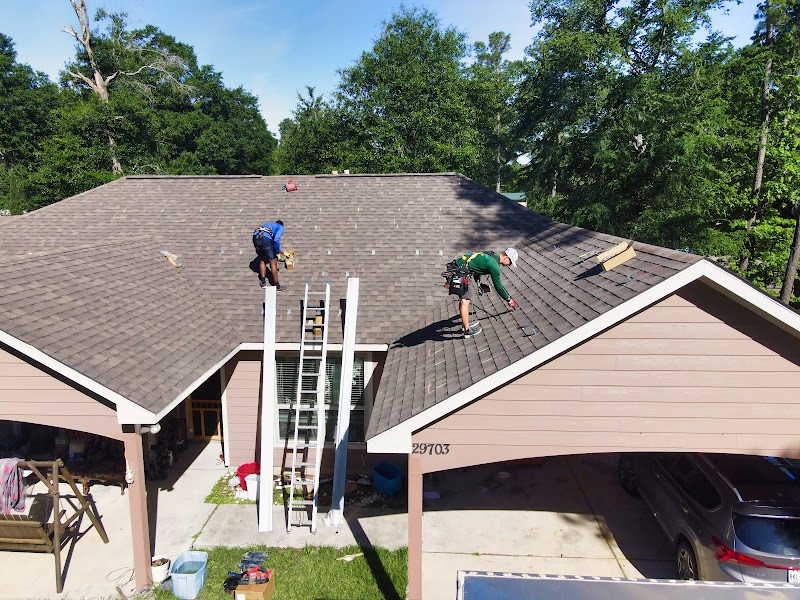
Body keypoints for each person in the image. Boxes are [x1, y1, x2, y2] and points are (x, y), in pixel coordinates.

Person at [451, 248, 518, 337]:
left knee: (464, 300)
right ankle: (467, 331)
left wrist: (479, 284)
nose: (509, 265)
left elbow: (476, 266)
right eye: (510, 262)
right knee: (465, 301)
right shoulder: (494, 265)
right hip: (460, 273)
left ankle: (465, 324)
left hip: (459, 268)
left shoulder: (492, 254)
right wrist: (509, 300)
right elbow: (498, 286)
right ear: (506, 257)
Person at [252, 220, 284, 290]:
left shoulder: (268, 224)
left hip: (255, 237)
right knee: (273, 261)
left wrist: (277, 250)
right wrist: (277, 250)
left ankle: (263, 283)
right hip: (264, 239)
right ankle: (277, 286)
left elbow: (270, 242)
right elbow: (276, 239)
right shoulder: (280, 227)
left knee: (262, 258)